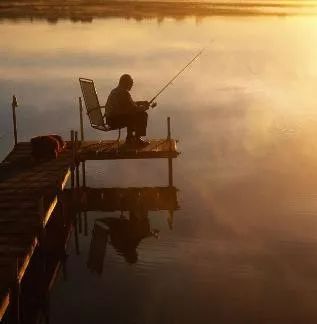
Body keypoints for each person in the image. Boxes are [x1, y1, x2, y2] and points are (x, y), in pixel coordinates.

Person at [105, 74, 151, 146]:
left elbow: (129, 104)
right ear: (125, 83)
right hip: (114, 121)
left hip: (110, 119)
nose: (132, 85)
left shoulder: (116, 91)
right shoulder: (123, 93)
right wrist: (144, 108)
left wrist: (141, 102)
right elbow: (133, 109)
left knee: (132, 114)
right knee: (142, 114)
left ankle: (130, 138)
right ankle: (136, 139)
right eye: (131, 83)